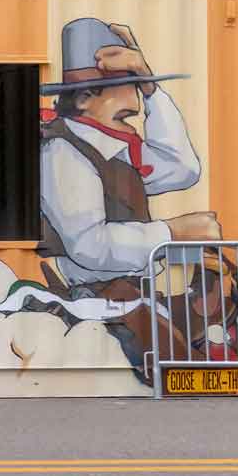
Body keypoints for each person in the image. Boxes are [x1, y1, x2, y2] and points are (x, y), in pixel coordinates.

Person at [38, 18, 216, 288]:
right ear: (84, 98)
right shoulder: (62, 151)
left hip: (131, 297)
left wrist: (150, 88)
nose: (136, 104)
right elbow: (90, 246)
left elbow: (182, 169)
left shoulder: (112, 148)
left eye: (137, 88)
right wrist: (174, 232)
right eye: (125, 87)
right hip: (95, 303)